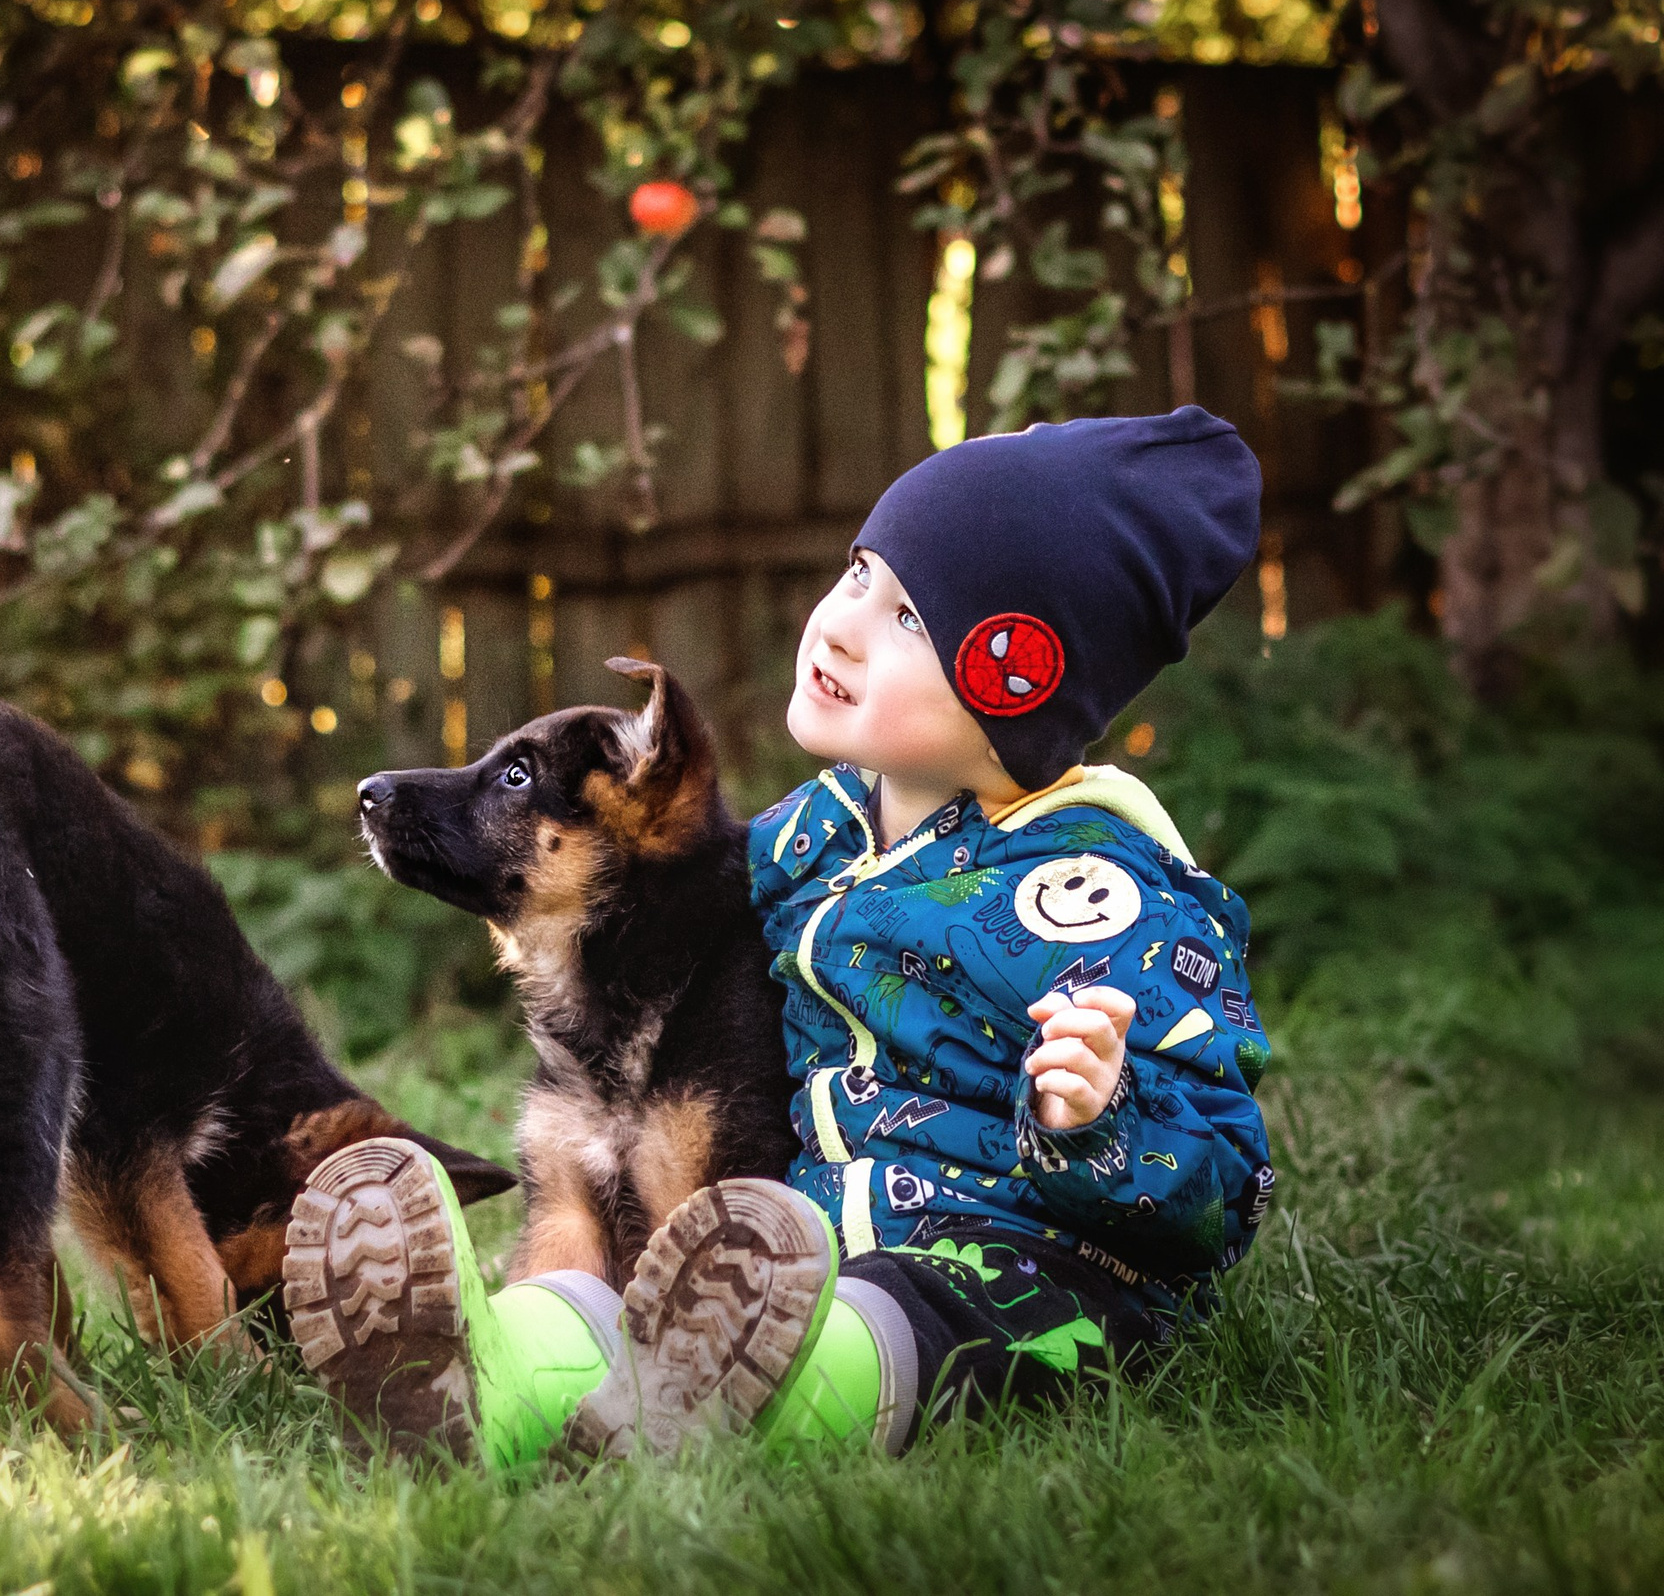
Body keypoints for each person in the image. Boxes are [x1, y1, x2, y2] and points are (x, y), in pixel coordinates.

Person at [289, 405, 1279, 1465]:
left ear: (1017, 689)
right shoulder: (812, 836)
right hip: (782, 1257)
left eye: (911, 619)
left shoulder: (1100, 892)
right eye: (859, 573)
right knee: (659, 1289)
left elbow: (1226, 1175)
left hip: (1018, 1274)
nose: (842, 624)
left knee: (886, 1315)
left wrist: (1096, 1114)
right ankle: (467, 1382)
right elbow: (653, 912)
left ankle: (706, 1401)